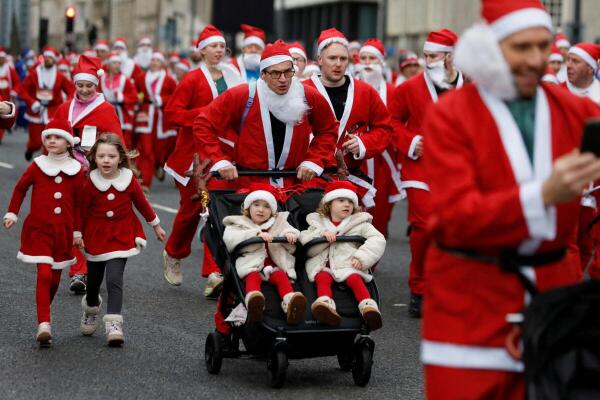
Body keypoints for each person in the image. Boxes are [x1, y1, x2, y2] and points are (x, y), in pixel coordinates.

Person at [421, 0, 600, 398]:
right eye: (521, 48)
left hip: (554, 300)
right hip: (470, 299)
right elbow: (455, 216)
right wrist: (544, 195)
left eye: (543, 46)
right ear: (489, 47)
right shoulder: (451, 115)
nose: (537, 60)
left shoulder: (572, 110)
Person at [193, 39, 339, 337]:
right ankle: (230, 322)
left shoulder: (309, 96)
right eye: (275, 74)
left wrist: (315, 159)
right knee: (247, 255)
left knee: (300, 251)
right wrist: (220, 161)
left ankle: (302, 310)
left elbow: (328, 130)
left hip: (294, 187)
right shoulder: (242, 96)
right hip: (251, 186)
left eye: (288, 72)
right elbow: (203, 123)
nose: (283, 79)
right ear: (263, 75)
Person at [389, 28, 463, 318]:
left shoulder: (470, 86)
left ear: (450, 57)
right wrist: (410, 142)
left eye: (433, 56)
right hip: (420, 168)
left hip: (459, 170)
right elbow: (391, 121)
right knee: (422, 227)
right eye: (426, 55)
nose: (428, 61)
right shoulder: (409, 88)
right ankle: (419, 289)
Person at [162, 24, 243, 291]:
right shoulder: (192, 79)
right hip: (193, 157)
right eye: (213, 46)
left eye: (221, 46)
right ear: (201, 51)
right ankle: (173, 252)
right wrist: (204, 113)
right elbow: (173, 113)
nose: (219, 50)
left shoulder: (233, 76)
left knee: (215, 210)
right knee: (190, 212)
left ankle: (215, 272)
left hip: (222, 154)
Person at [3, 119, 85, 346]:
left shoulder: (76, 170)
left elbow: (79, 204)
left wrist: (77, 231)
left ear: (68, 142)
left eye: (57, 137)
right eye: (48, 137)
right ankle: (44, 323)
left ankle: (43, 311)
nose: (51, 140)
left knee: (55, 279)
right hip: (38, 229)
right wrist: (12, 213)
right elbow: (20, 188)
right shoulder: (38, 165)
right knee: (45, 274)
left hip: (63, 232)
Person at [78, 134, 166, 346]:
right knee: (94, 282)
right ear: (94, 158)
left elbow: (142, 203)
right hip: (96, 236)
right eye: (101, 156)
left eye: (111, 156)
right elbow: (80, 211)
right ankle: (91, 307)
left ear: (120, 158)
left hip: (122, 234)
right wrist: (76, 233)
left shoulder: (128, 179)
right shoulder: (90, 182)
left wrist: (156, 225)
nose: (106, 160)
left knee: (114, 278)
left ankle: (114, 323)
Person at [52, 54, 123, 293]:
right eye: (80, 85)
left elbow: (116, 142)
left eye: (89, 85)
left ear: (97, 85)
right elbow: (51, 136)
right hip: (68, 172)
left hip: (94, 172)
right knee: (73, 221)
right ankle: (78, 271)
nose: (84, 90)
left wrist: (100, 154)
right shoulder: (64, 108)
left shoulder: (105, 110)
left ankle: (94, 263)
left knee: (93, 221)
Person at [303, 28, 392, 216]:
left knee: (351, 239)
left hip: (349, 178)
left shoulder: (365, 91)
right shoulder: (302, 90)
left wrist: (363, 143)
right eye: (332, 58)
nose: (338, 64)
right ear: (319, 59)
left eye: (343, 59)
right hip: (310, 178)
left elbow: (384, 128)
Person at [300, 180, 385, 331]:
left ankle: (368, 307)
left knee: (355, 279)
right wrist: (321, 236)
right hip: (323, 265)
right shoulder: (317, 223)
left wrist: (362, 257)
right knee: (322, 278)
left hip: (348, 264)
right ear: (329, 204)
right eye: (341, 201)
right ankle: (325, 305)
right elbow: (304, 241)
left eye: (350, 202)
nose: (347, 205)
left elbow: (378, 239)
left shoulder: (360, 224)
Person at [223, 183, 306, 324]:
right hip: (251, 265)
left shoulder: (278, 223)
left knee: (281, 276)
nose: (261, 210)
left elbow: (293, 232)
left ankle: (290, 302)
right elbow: (230, 240)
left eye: (267, 207)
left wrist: (289, 234)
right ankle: (254, 301)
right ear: (248, 207)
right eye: (256, 205)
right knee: (252, 277)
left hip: (275, 266)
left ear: (272, 211)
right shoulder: (238, 223)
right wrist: (256, 234)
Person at [357, 38, 404, 236]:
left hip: (383, 160)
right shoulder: (353, 87)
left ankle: (372, 255)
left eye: (372, 59)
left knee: (381, 210)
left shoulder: (393, 92)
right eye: (364, 58)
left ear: (381, 62)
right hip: (356, 157)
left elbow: (398, 124)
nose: (367, 63)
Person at [18, 46, 74, 161]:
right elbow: (22, 90)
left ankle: (46, 165)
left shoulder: (59, 76)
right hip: (36, 111)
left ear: (54, 60)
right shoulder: (34, 74)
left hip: (53, 110)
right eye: (46, 57)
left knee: (49, 141)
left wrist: (66, 105)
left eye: (51, 58)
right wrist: (32, 102)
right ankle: (30, 149)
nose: (48, 60)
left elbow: (71, 91)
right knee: (36, 142)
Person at [133, 51, 177, 191]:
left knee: (161, 148)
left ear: (162, 63)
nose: (154, 63)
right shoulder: (141, 77)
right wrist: (138, 99)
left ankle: (159, 165)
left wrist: (162, 100)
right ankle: (145, 183)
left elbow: (175, 98)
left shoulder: (169, 80)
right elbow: (136, 92)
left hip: (161, 118)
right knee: (146, 150)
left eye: (157, 60)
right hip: (145, 116)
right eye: (153, 60)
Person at [100, 51, 139, 149]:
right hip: (106, 112)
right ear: (108, 65)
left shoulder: (124, 79)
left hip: (122, 114)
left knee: (123, 141)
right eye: (114, 63)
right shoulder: (102, 79)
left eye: (118, 63)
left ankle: (124, 162)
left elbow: (134, 97)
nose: (117, 66)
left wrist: (122, 98)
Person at [0, 48, 19, 143]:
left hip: (6, 97)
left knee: (3, 114)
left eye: (2, 58)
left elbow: (16, 82)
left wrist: (14, 91)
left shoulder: (9, 69)